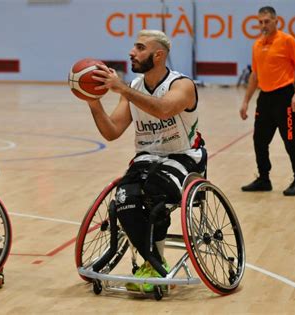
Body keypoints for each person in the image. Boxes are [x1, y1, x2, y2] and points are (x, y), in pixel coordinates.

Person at [83, 30, 207, 292]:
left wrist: (122, 89)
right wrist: (93, 103)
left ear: (158, 55)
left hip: (183, 157)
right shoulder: (134, 89)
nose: (132, 52)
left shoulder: (181, 85)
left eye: (140, 48)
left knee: (153, 194)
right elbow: (112, 131)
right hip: (147, 159)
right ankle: (154, 260)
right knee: (123, 199)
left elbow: (163, 109)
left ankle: (152, 261)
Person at [239, 6, 295, 196]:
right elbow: (255, 75)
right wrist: (246, 101)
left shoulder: (287, 41)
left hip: (284, 97)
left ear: (276, 21)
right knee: (259, 141)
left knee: (291, 141)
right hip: (265, 98)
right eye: (260, 22)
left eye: (266, 21)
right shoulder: (257, 45)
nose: (263, 25)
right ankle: (264, 179)